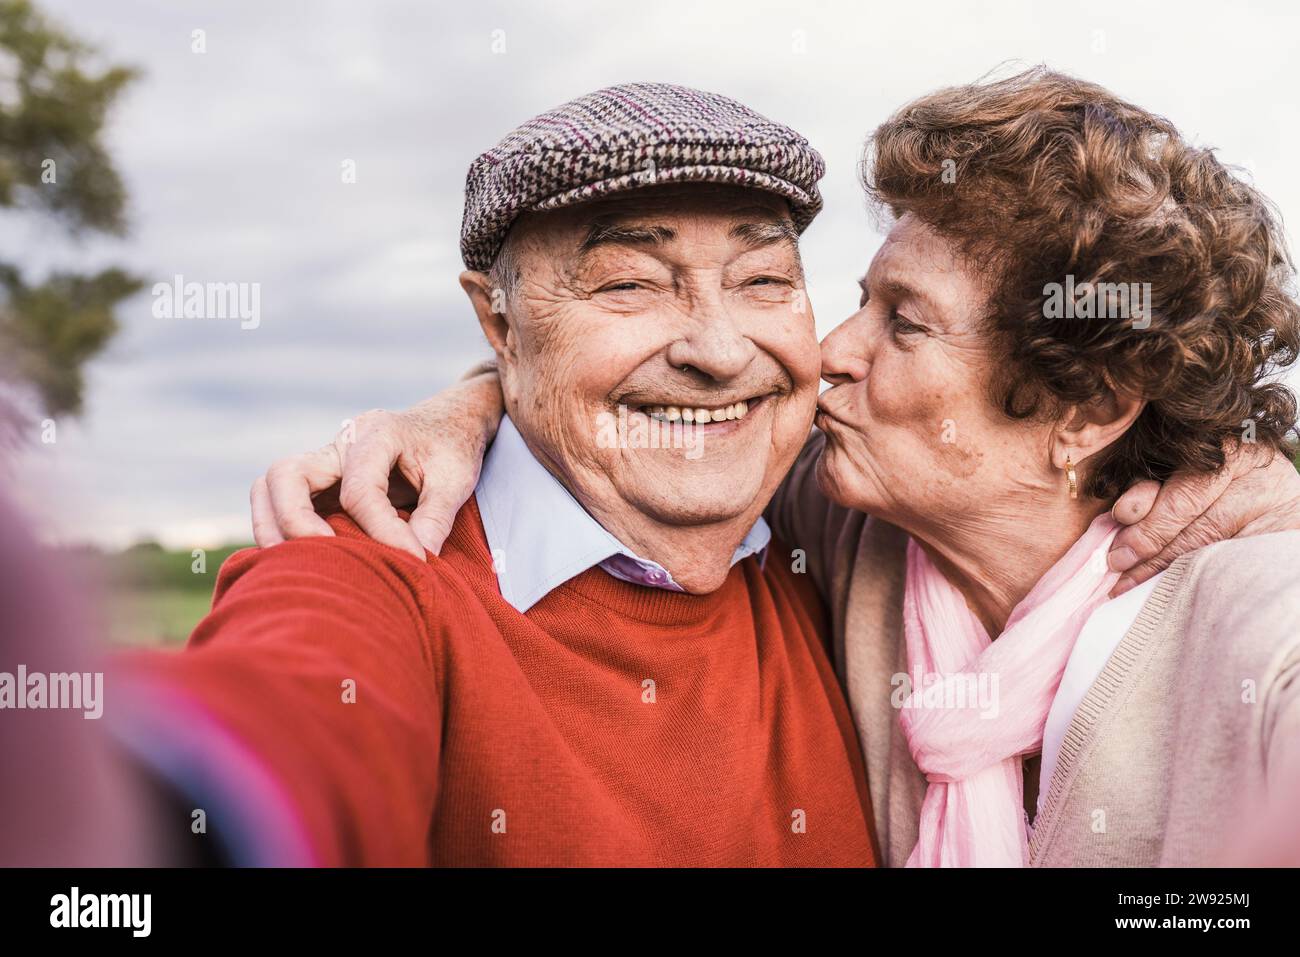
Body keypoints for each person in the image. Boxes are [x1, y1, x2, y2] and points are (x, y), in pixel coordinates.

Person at [258, 69, 1300, 866]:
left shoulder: (1259, 617)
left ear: (1088, 411)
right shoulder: (836, 527)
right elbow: (646, 406)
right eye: (857, 297)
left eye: (904, 323)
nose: (829, 353)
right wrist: (470, 401)